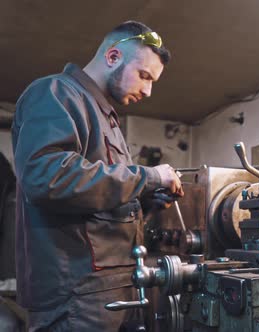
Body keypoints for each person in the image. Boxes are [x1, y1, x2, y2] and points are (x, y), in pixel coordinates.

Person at [11, 21, 183, 331]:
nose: (147, 90)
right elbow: (46, 178)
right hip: (76, 295)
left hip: (113, 286)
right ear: (113, 57)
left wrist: (144, 200)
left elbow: (98, 202)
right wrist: (148, 176)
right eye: (144, 76)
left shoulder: (108, 120)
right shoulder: (56, 93)